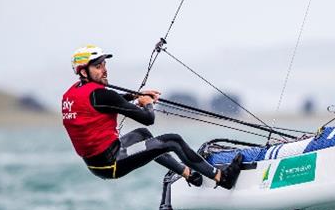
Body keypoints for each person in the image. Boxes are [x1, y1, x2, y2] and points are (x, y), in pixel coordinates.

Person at [61, 45, 242, 188]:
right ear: (83, 72)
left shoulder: (73, 94)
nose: (104, 70)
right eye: (98, 67)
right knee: (173, 141)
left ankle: (189, 174)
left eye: (104, 65)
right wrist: (147, 102)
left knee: (142, 134)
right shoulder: (100, 95)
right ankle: (222, 178)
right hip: (112, 162)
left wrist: (134, 96)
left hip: (98, 163)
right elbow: (148, 118)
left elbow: (104, 105)